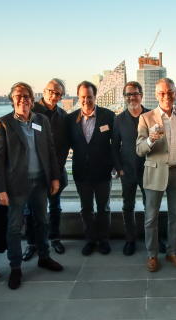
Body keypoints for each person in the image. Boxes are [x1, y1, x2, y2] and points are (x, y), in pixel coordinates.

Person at [0, 82, 63, 290]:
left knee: (42, 221)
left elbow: (50, 150)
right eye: (18, 96)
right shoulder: (3, 123)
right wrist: (0, 189)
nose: (22, 99)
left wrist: (55, 177)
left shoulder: (41, 120)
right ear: (12, 99)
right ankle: (15, 267)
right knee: (14, 227)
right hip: (16, 185)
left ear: (32, 99)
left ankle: (44, 256)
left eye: (26, 96)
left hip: (40, 181)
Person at [136, 78, 176, 272]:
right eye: (162, 93)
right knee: (151, 217)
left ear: (175, 93)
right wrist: (150, 139)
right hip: (155, 173)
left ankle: (172, 251)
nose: (166, 96)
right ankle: (152, 254)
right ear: (156, 95)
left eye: (170, 92)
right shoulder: (146, 118)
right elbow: (139, 150)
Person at [23, 78, 70, 261]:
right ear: (44, 91)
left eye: (58, 93)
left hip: (54, 171)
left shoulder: (63, 116)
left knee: (55, 206)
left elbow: (64, 145)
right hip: (32, 171)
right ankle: (31, 243)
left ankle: (54, 238)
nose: (54, 96)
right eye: (51, 91)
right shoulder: (30, 110)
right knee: (30, 210)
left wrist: (56, 170)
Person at [67, 81, 115, 256]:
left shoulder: (108, 116)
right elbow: (67, 143)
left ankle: (103, 240)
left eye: (90, 97)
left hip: (103, 171)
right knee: (86, 208)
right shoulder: (70, 119)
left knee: (104, 208)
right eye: (83, 97)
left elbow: (115, 143)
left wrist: (114, 165)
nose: (86, 100)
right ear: (78, 98)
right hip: (81, 172)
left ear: (95, 97)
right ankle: (90, 240)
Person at [112, 81, 150, 255]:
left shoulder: (151, 115)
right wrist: (120, 169)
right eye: (128, 95)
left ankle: (153, 239)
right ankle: (130, 239)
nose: (132, 97)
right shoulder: (119, 119)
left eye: (135, 94)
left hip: (149, 170)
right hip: (127, 170)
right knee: (128, 206)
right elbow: (114, 146)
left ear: (141, 95)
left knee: (150, 206)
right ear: (124, 98)